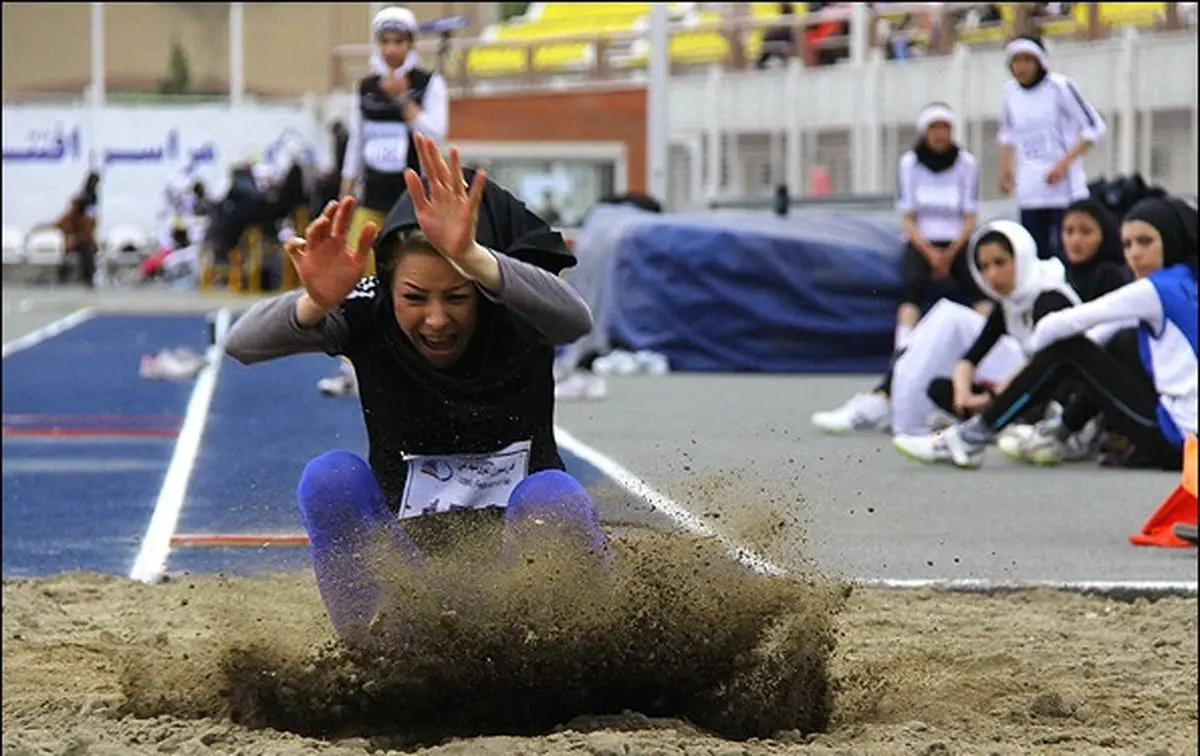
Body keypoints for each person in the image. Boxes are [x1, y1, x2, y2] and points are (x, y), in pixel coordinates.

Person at [224, 134, 604, 648]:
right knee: (330, 478)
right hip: (415, 580)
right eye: (415, 297)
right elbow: (242, 344)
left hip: (521, 576)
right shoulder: (367, 311)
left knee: (555, 496)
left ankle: (568, 658)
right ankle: (383, 661)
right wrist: (315, 303)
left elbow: (574, 319)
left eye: (456, 297)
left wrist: (473, 256)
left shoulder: (518, 308)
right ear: (387, 289)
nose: (436, 319)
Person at [894, 196, 1197, 470]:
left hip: (1179, 441)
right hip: (1184, 433)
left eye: (1145, 242)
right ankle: (1057, 432)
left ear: (1170, 241)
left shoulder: (1156, 289)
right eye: (1128, 244)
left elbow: (1059, 326)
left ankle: (973, 436)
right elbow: (1102, 335)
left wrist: (1042, 354)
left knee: (1069, 348)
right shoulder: (1186, 283)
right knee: (1111, 344)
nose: (1134, 254)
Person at [813, 219, 1080, 438]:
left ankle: (889, 403)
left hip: (1053, 385)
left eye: (1000, 263)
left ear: (1020, 257)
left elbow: (1041, 360)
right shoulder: (1008, 303)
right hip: (1021, 378)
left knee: (950, 318)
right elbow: (971, 357)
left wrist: (990, 395)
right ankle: (888, 399)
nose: (992, 276)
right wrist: (964, 393)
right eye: (984, 267)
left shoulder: (1049, 294)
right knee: (942, 381)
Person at [320, 5, 450, 398]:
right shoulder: (364, 88)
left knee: (409, 282)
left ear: (411, 43)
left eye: (399, 41)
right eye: (386, 41)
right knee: (358, 282)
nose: (392, 49)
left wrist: (405, 102)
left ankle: (414, 364)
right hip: (371, 201)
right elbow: (357, 143)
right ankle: (352, 367)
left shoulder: (429, 84)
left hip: (411, 203)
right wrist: (345, 190)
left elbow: (436, 133)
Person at [997, 197, 1134, 463]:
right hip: (1057, 367)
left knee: (1070, 345)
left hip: (1097, 367)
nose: (1075, 240)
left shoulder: (1109, 275)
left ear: (1104, 235)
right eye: (1068, 231)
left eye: (1085, 232)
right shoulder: (1055, 275)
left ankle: (1073, 424)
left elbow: (1109, 331)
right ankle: (1047, 417)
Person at [997, 35, 1106, 262]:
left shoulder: (1059, 87)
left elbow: (1093, 127)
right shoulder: (1010, 93)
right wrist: (1005, 167)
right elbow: (1008, 133)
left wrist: (1063, 165)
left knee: (1065, 252)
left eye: (1027, 60)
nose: (1022, 67)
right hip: (1030, 187)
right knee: (1034, 253)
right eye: (1016, 61)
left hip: (1063, 188)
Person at [893, 102, 985, 351]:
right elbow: (907, 218)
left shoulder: (967, 163)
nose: (940, 134)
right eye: (934, 127)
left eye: (945, 127)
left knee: (981, 285)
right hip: (922, 241)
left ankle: (986, 346)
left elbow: (969, 216)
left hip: (957, 240)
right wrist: (931, 253)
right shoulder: (909, 163)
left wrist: (951, 253)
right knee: (911, 285)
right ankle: (902, 349)